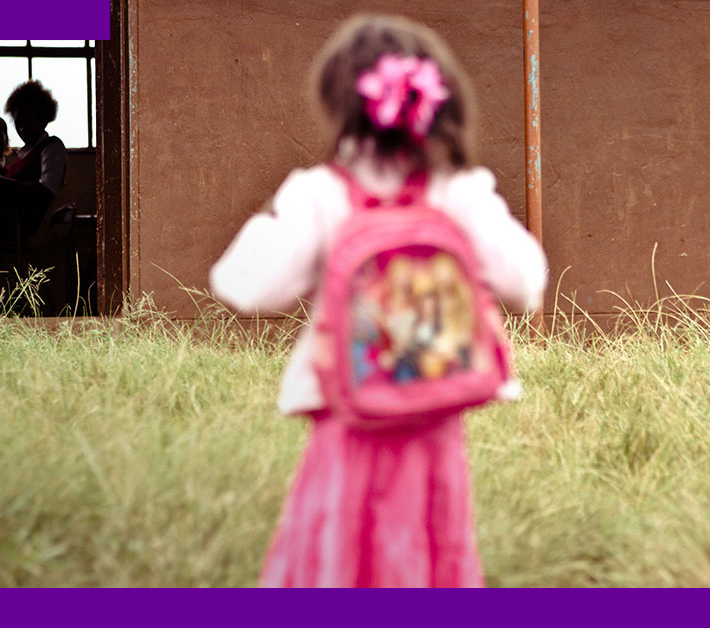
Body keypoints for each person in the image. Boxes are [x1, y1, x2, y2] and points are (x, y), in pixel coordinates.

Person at [209, 14, 547, 587]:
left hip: (349, 421)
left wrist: (287, 210)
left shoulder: (321, 194)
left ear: (340, 103)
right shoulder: (458, 193)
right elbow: (527, 282)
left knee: (340, 556)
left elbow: (244, 285)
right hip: (435, 424)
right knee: (432, 551)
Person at [0, 80, 67, 239]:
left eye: (28, 120)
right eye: (17, 122)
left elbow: (47, 190)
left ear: (43, 119)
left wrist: (4, 184)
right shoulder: (23, 156)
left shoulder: (52, 147)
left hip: (21, 224)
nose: (21, 128)